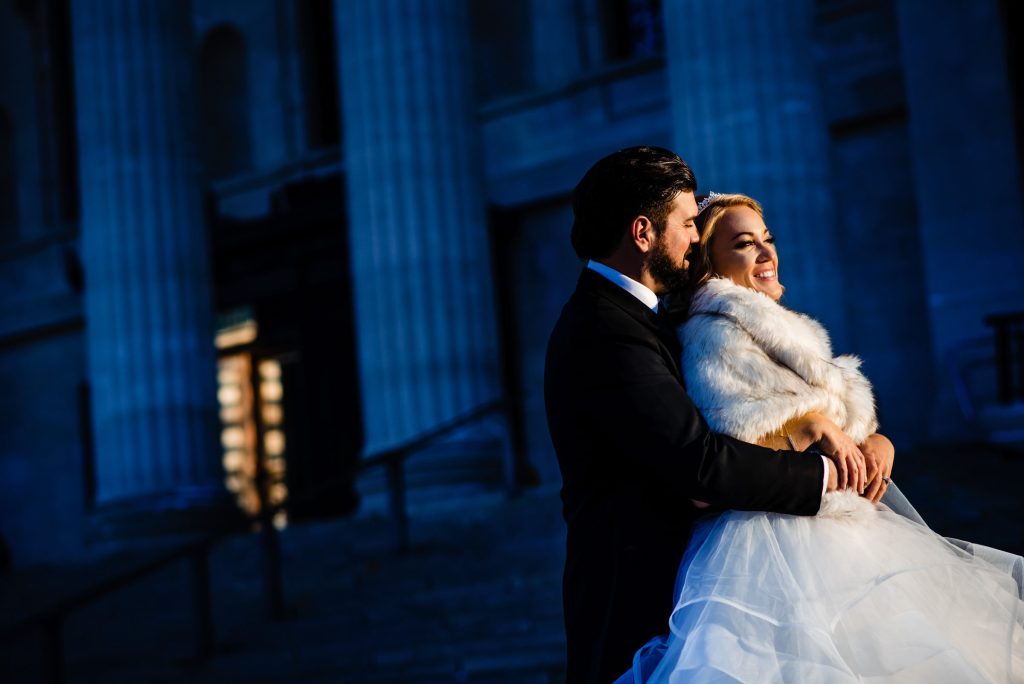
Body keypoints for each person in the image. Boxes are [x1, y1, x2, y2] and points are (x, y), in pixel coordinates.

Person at [632, 193, 1024, 682]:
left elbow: (842, 418)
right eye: (744, 244)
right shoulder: (713, 331)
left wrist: (877, 442)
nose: (766, 253)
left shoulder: (783, 328)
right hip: (772, 540)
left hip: (842, 528)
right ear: (711, 262)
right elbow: (728, 442)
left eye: (767, 239)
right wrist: (809, 425)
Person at [544, 148, 853, 684]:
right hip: (638, 604)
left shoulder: (642, 320)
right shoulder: (604, 329)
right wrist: (827, 473)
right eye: (688, 224)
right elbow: (697, 465)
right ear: (644, 232)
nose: (694, 239)